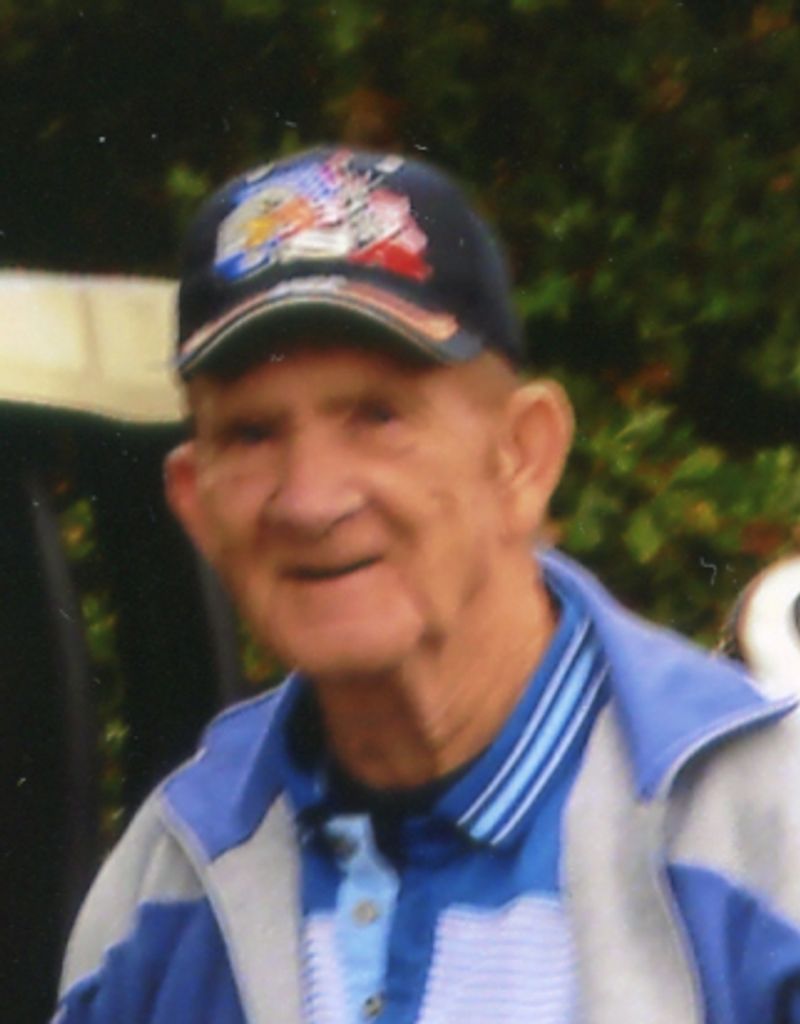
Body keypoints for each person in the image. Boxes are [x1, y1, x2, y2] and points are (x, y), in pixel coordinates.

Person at [54, 147, 800, 1024]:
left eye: (377, 415)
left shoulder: (758, 836)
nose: (310, 499)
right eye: (252, 433)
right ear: (195, 500)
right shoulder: (169, 883)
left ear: (522, 456)